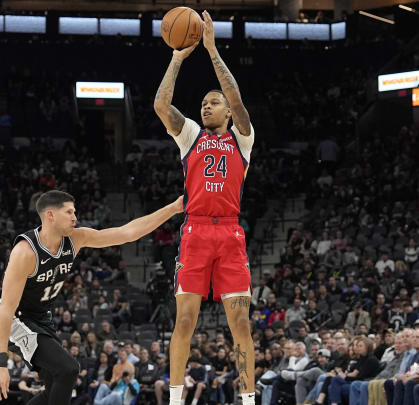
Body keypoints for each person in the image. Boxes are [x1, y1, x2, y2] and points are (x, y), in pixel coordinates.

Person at [0, 190, 183, 404]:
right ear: (50, 215)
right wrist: (0, 364)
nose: (75, 217)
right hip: (17, 321)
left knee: (55, 386)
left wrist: (173, 208)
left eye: (75, 211)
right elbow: (6, 309)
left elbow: (127, 233)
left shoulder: (75, 238)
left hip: (41, 319)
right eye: (69, 212)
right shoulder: (25, 252)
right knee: (68, 369)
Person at [153, 10, 256, 405]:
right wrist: (177, 58)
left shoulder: (242, 138)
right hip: (195, 230)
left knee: (241, 323)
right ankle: (176, 398)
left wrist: (212, 51)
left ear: (228, 112)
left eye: (213, 103)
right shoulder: (191, 136)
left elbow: (236, 98)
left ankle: (248, 399)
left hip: (230, 233)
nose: (206, 107)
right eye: (203, 103)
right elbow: (162, 105)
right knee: (184, 320)